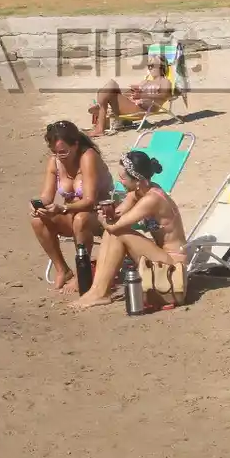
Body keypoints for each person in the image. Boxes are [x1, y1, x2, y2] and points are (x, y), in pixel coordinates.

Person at [72, 150, 186, 309]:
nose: (120, 182)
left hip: (173, 264)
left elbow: (115, 226)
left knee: (117, 233)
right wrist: (108, 212)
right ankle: (97, 290)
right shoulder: (138, 192)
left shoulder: (152, 199)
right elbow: (117, 217)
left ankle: (100, 293)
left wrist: (102, 219)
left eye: (123, 178)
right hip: (160, 255)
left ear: (137, 180)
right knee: (113, 233)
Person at [30, 120, 114, 292]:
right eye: (54, 152)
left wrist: (63, 208)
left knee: (80, 219)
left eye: (63, 151)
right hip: (72, 214)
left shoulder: (88, 156)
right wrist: (38, 204)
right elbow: (47, 196)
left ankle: (81, 273)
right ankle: (62, 270)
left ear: (75, 144)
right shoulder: (55, 161)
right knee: (37, 221)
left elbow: (90, 200)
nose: (59, 156)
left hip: (101, 215)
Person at [88, 55, 172, 136]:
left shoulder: (165, 82)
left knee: (109, 88)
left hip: (141, 109)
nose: (149, 68)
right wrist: (132, 92)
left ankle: (101, 123)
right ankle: (104, 110)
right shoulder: (146, 82)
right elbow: (132, 94)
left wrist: (142, 95)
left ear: (161, 66)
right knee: (112, 85)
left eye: (152, 66)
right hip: (132, 104)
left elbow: (165, 96)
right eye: (148, 66)